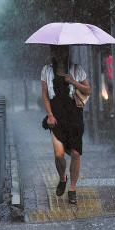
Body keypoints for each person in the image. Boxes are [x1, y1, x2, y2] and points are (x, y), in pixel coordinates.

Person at [40, 45, 90, 205]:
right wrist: (50, 115)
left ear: (67, 52)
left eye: (63, 51)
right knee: (59, 154)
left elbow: (88, 90)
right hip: (56, 115)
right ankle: (62, 178)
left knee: (75, 153)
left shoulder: (76, 69)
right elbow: (45, 96)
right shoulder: (46, 71)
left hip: (74, 115)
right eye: (56, 51)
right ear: (52, 53)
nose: (60, 54)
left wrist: (74, 81)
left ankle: (72, 189)